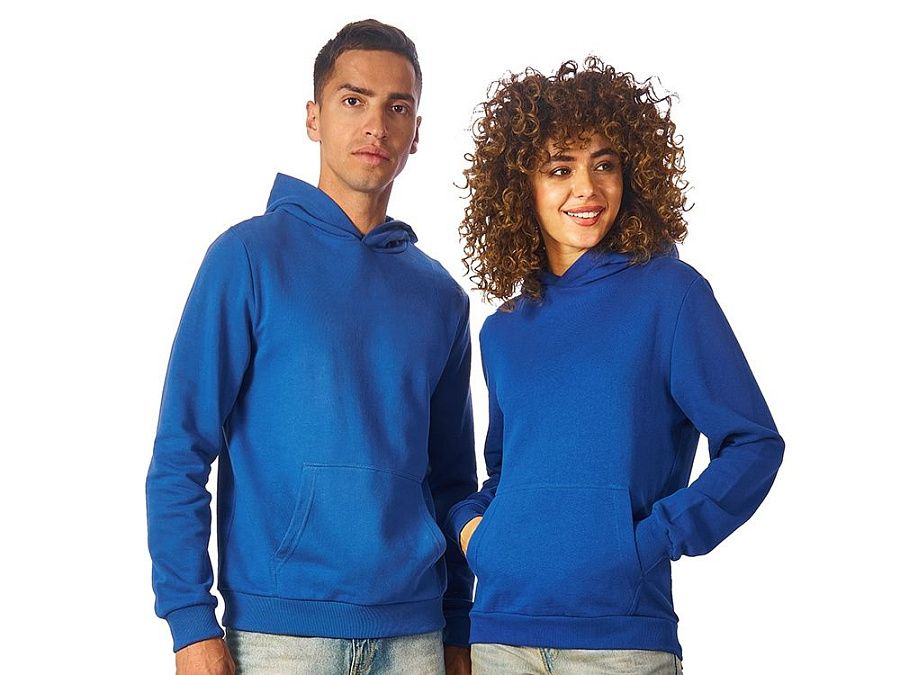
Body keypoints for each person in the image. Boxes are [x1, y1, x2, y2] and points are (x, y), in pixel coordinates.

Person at [147, 19, 476, 675]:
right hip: (278, 635)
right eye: (354, 100)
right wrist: (189, 622)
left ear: (416, 132)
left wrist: (460, 627)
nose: (375, 125)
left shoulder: (439, 295)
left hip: (416, 636)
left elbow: (451, 480)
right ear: (313, 117)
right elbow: (182, 450)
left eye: (397, 107)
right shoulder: (247, 258)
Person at [447, 58, 785, 674]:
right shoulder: (504, 329)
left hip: (620, 641)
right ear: (521, 187)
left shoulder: (671, 295)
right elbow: (507, 472)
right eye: (560, 169)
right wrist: (474, 527)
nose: (587, 189)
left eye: (604, 165)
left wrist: (651, 540)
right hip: (500, 633)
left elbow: (753, 443)